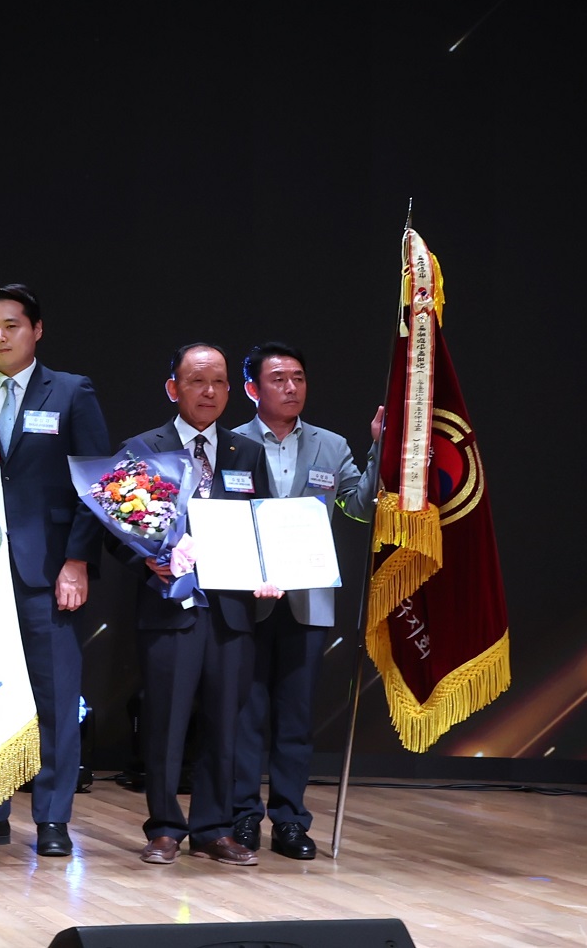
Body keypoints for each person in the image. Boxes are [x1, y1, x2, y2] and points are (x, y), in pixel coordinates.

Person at [0, 285, 111, 858]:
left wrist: (77, 560)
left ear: (36, 330)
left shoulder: (70, 391)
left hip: (47, 569)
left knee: (56, 697)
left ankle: (52, 818)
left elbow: (96, 483)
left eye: (10, 326)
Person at [120, 343, 278, 867]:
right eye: (196, 381)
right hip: (169, 607)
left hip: (231, 611)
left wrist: (269, 570)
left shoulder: (244, 451)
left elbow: (262, 523)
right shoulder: (144, 447)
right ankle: (165, 827)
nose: (208, 392)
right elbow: (114, 528)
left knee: (225, 722)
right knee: (165, 721)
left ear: (230, 391)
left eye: (218, 382)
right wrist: (146, 559)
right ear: (174, 388)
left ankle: (214, 828)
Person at [228, 341, 376, 861]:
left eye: (298, 378)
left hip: (308, 599)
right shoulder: (230, 442)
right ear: (252, 389)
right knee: (246, 714)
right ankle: (243, 816)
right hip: (247, 597)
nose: (291, 388)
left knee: (296, 717)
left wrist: (379, 449)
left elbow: (359, 507)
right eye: (278, 379)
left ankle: (290, 820)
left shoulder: (330, 445)